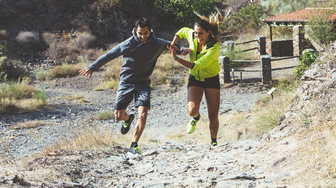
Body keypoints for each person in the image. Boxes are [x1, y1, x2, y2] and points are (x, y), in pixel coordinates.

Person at [79, 17, 180, 155]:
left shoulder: (157, 43)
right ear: (136, 31)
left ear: (150, 31)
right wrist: (92, 67)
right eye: (140, 33)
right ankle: (128, 119)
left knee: (143, 113)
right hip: (126, 82)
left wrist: (182, 49)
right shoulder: (129, 44)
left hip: (143, 83)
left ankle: (134, 145)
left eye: (145, 33)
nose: (143, 36)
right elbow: (110, 55)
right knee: (118, 116)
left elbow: (173, 45)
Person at [168, 12, 228, 148]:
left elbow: (198, 65)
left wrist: (177, 58)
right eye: (195, 33)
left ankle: (213, 142)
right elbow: (182, 31)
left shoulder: (214, 47)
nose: (197, 36)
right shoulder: (192, 35)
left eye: (200, 33)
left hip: (211, 78)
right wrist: (173, 44)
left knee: (213, 114)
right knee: (192, 110)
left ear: (208, 33)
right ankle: (195, 118)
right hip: (195, 78)